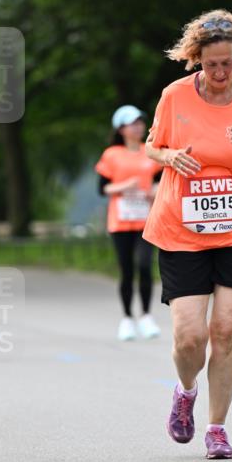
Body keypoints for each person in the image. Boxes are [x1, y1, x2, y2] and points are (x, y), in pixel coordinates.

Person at [144, 9, 232, 459]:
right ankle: (185, 391)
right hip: (181, 229)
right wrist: (169, 159)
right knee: (190, 338)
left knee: (226, 330)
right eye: (210, 64)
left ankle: (217, 429)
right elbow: (153, 144)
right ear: (196, 59)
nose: (220, 73)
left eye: (228, 63)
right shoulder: (175, 96)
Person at [95, 105, 163, 341]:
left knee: (144, 265)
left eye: (140, 122)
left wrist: (153, 191)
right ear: (121, 129)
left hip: (146, 220)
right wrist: (125, 186)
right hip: (120, 222)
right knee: (127, 270)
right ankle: (126, 318)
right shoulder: (111, 154)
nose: (138, 127)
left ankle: (145, 316)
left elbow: (160, 183)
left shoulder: (151, 151)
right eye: (133, 123)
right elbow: (103, 188)